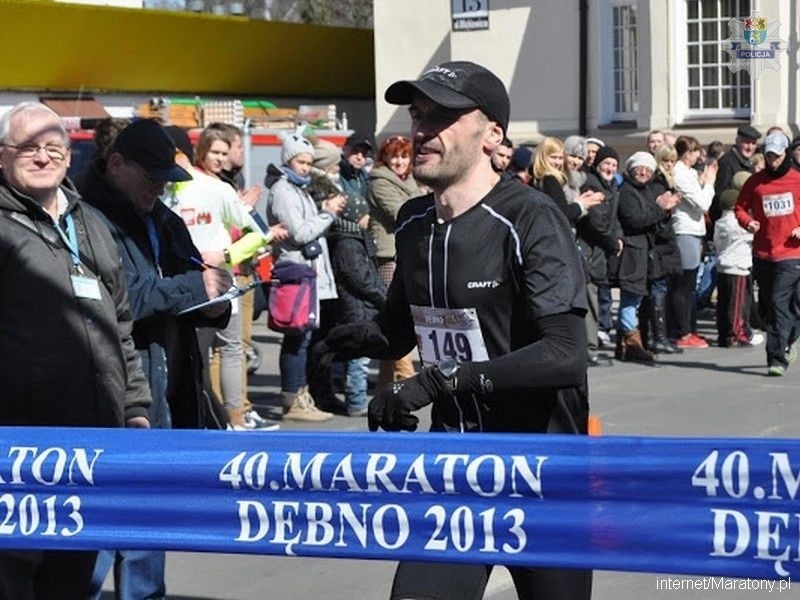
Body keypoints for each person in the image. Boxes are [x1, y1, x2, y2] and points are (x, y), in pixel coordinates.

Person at [314, 60, 591, 600]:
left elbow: (565, 355)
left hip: (543, 473)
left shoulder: (531, 218)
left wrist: (439, 382)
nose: (423, 129)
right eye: (418, 115)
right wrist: (349, 339)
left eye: (443, 115)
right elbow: (399, 332)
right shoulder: (415, 223)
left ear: (493, 135)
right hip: (453, 471)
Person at [0, 102, 152, 598]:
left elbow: (121, 324)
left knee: (74, 575)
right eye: (28, 148)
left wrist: (134, 406)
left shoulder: (90, 221)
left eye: (54, 147)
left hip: (92, 441)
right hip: (17, 450)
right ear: (2, 156)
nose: (43, 157)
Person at [78, 118, 234, 600]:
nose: (160, 188)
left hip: (165, 384)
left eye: (165, 179)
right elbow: (125, 301)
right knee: (101, 527)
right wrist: (197, 287)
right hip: (119, 392)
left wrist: (216, 297)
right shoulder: (87, 219)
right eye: (152, 178)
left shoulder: (161, 217)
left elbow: (192, 275)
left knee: (147, 524)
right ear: (117, 164)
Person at [266, 127, 345, 420]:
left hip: (309, 273)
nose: (307, 168)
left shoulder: (299, 189)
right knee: (296, 337)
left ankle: (301, 396)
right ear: (288, 161)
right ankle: (292, 399)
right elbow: (299, 233)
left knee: (304, 338)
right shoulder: (283, 191)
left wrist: (321, 211)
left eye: (309, 163)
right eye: (301, 162)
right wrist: (328, 214)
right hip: (296, 271)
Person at [315, 178, 387, 416]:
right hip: (357, 306)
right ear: (357, 216)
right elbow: (359, 278)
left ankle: (349, 393)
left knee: (356, 354)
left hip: (357, 304)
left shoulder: (352, 239)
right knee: (359, 355)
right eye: (366, 214)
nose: (369, 218)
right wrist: (381, 296)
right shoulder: (348, 243)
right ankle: (356, 400)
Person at [735, 132, 800, 376]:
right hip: (763, 252)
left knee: (778, 303)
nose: (773, 160)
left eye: (777, 156)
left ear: (786, 154)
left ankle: (776, 358)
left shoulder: (797, 179)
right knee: (767, 308)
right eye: (769, 155)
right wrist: (748, 222)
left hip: (792, 253)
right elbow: (739, 208)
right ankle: (790, 335)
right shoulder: (755, 182)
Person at [367, 135, 422, 390]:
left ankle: (387, 382)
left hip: (405, 253)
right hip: (388, 256)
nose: (399, 161)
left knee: (400, 317)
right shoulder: (379, 182)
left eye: (404, 156)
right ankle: (404, 375)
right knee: (396, 316)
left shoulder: (409, 181)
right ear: (385, 158)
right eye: (394, 156)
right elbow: (401, 211)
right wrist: (423, 198)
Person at [615, 152, 681, 362]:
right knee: (631, 297)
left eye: (648, 169)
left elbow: (657, 223)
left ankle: (633, 343)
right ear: (631, 169)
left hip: (647, 252)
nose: (643, 172)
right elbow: (636, 219)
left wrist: (663, 213)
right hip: (632, 252)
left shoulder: (653, 189)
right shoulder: (626, 191)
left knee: (638, 298)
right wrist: (660, 209)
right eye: (639, 168)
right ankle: (630, 344)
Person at [671, 135, 717, 349]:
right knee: (684, 284)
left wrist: (701, 181)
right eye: (696, 151)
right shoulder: (680, 173)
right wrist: (709, 184)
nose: (699, 155)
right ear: (688, 153)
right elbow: (702, 203)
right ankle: (683, 332)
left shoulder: (688, 173)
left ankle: (689, 329)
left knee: (689, 285)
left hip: (694, 231)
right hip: (685, 231)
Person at [714, 187, 762, 347]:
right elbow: (753, 233)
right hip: (738, 267)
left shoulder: (720, 222)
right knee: (737, 305)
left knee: (724, 303)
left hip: (723, 267)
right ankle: (737, 334)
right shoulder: (736, 223)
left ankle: (724, 333)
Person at [712, 124, 760, 222]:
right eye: (746, 142)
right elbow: (721, 194)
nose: (750, 147)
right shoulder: (727, 162)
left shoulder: (748, 163)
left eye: (753, 143)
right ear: (737, 141)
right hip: (730, 220)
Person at [338, 134, 373, 200]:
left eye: (364, 153)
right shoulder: (337, 174)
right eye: (355, 151)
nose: (359, 157)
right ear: (344, 150)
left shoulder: (366, 177)